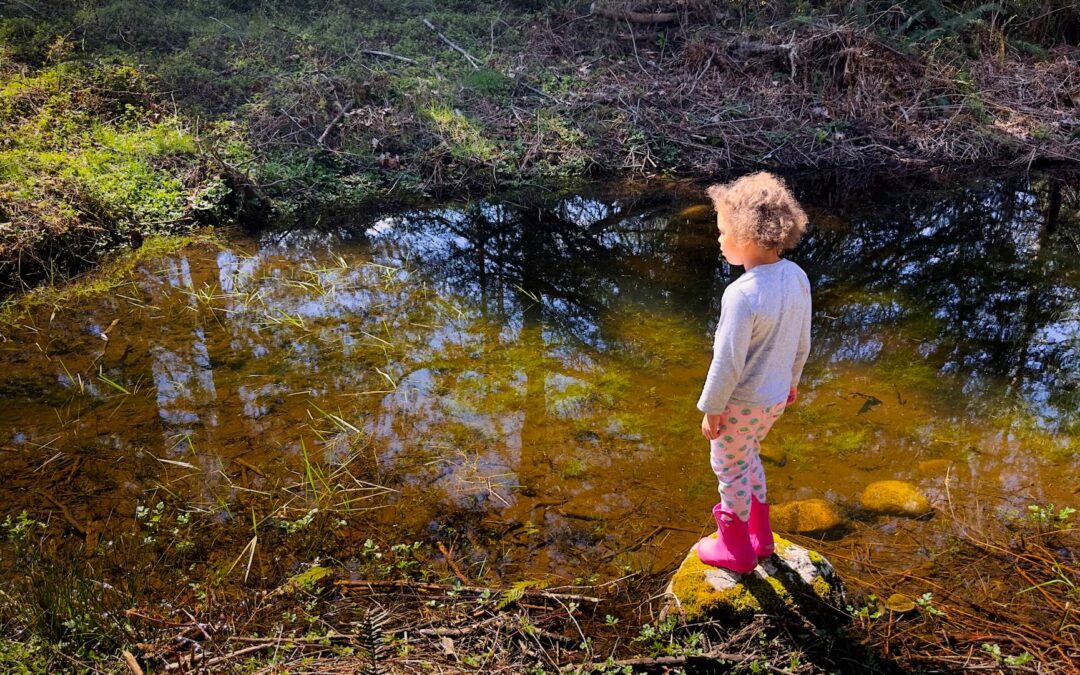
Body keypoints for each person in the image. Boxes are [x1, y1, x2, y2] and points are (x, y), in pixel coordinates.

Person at [694, 172, 811, 574]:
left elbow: (727, 360)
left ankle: (737, 550)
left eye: (724, 231)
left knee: (728, 467)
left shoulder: (742, 294)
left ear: (747, 237)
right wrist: (793, 381)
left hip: (741, 403)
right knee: (749, 456)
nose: (720, 239)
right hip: (775, 398)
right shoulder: (796, 276)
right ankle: (761, 537)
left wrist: (712, 407)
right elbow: (802, 341)